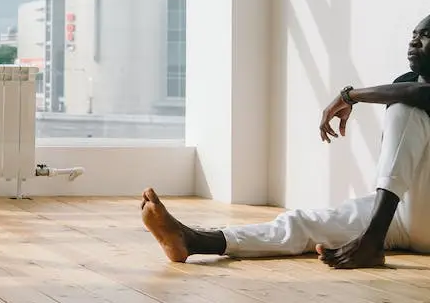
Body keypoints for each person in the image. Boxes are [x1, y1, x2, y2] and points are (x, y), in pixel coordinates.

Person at [142, 14, 430, 269]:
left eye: (425, 35)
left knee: (404, 108)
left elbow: (417, 96)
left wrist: (349, 96)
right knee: (304, 223)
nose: (414, 43)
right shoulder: (406, 81)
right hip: (402, 215)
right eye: (413, 35)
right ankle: (194, 241)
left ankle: (371, 241)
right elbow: (409, 90)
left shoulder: (411, 94)